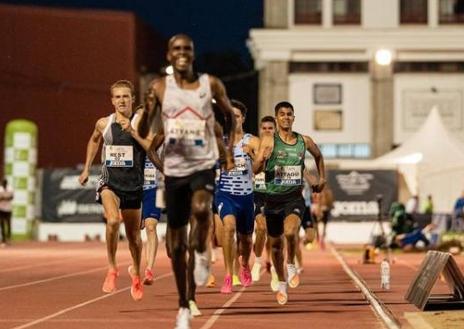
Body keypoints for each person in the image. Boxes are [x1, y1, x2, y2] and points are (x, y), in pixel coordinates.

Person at [138, 34, 236, 329]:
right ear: (169, 55)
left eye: (187, 49)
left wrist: (225, 148)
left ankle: (204, 253)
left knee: (203, 207)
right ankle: (183, 304)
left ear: (193, 54)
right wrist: (146, 110)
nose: (182, 53)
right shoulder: (158, 87)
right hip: (174, 170)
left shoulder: (211, 84)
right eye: (177, 49)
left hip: (203, 165)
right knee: (178, 244)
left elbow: (229, 116)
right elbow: (144, 128)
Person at [78, 80, 151, 301]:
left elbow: (151, 146)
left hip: (134, 185)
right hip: (109, 182)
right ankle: (112, 268)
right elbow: (93, 141)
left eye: (125, 96)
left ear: (132, 99)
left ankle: (136, 273)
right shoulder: (104, 123)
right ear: (112, 100)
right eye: (117, 97)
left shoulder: (142, 123)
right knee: (111, 221)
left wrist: (135, 133)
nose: (121, 100)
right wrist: (87, 168)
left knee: (134, 238)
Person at [253, 101, 326, 305]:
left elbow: (319, 156)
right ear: (276, 119)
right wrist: (262, 160)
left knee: (291, 232)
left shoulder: (304, 141)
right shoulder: (268, 141)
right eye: (282, 114)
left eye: (289, 114)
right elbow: (255, 170)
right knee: (275, 246)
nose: (286, 117)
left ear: (294, 118)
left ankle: (292, 263)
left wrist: (322, 178)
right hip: (272, 199)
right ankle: (282, 282)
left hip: (294, 198)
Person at [215, 99, 259, 294]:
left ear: (243, 119)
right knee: (229, 228)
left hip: (246, 196)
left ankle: (244, 265)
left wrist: (253, 157)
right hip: (225, 194)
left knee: (246, 240)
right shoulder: (221, 142)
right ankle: (227, 274)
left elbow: (260, 169)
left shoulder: (252, 141)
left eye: (237, 116)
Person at [251, 116, 276, 282]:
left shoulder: (282, 147)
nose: (267, 131)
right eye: (264, 128)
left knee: (274, 234)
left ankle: (274, 265)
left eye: (270, 128)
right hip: (258, 193)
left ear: (275, 130)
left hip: (276, 194)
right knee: (261, 228)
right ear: (260, 129)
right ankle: (258, 261)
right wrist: (258, 157)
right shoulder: (254, 146)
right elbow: (252, 170)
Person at [0, 178, 13, 246]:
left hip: (8, 209)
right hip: (1, 209)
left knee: (8, 224)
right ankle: (3, 239)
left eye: (5, 183)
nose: (4, 184)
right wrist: (5, 198)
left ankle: (8, 238)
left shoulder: (10, 189)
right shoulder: (0, 189)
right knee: (2, 224)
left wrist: (3, 198)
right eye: (3, 183)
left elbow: (11, 197)